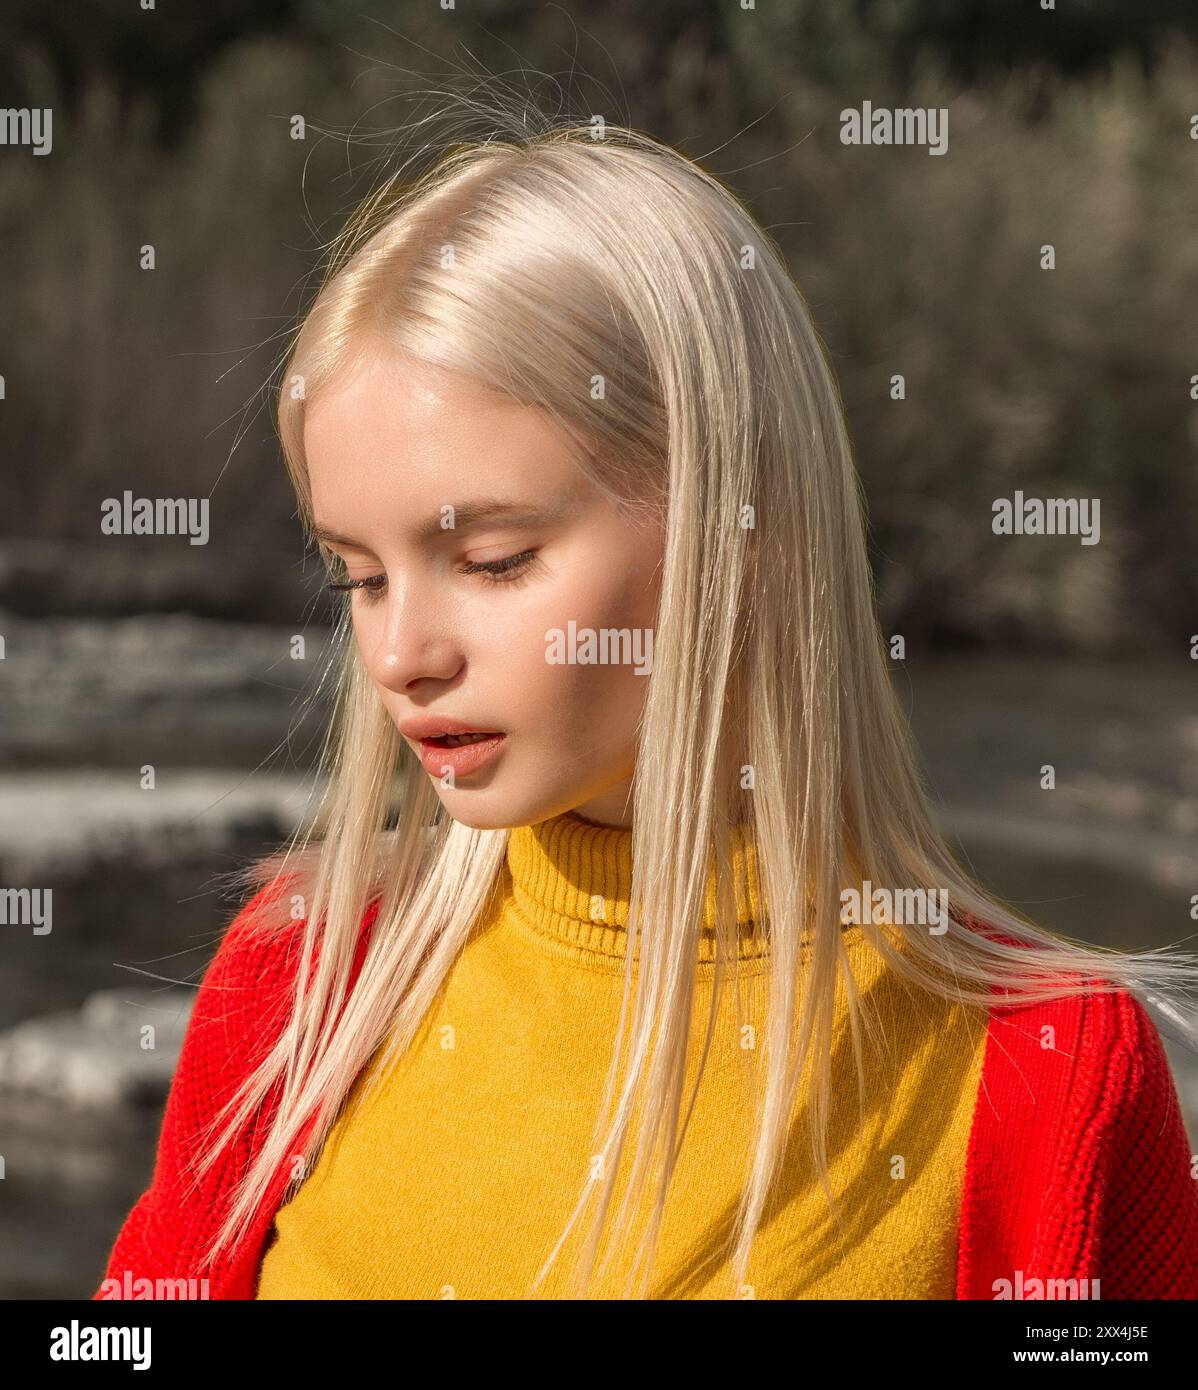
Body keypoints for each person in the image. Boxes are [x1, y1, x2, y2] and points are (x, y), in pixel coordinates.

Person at [95, 114, 1198, 1301]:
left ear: (747, 537)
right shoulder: (300, 982)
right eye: (356, 576)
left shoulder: (1046, 1073)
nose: (399, 651)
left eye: (494, 559)